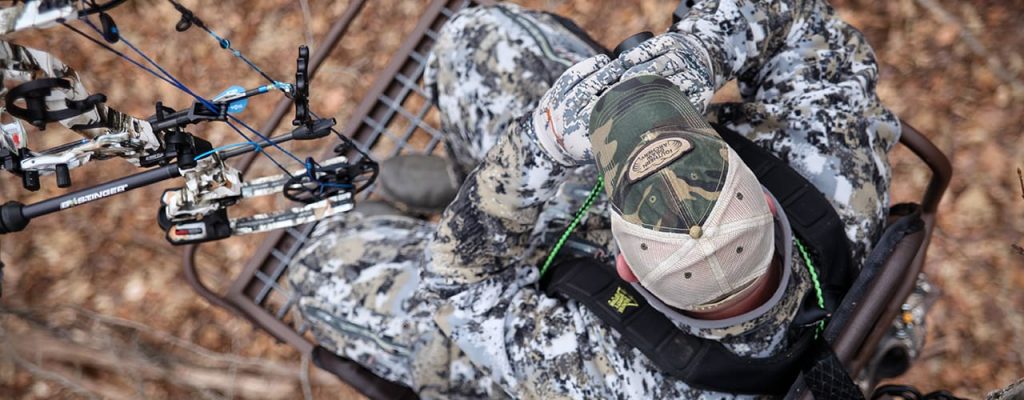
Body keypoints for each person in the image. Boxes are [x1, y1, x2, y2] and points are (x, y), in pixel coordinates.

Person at [288, 0, 900, 398]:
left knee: (317, 268)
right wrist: (699, 50)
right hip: (576, 238)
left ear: (626, 267)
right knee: (474, 40)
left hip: (544, 311)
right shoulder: (831, 174)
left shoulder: (607, 380)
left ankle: (473, 191)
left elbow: (458, 291)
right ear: (764, 201)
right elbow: (808, 30)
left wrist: (534, 151)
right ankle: (469, 179)